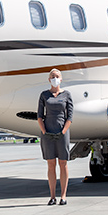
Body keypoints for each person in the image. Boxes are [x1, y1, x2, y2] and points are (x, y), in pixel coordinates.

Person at [37, 68, 74, 205]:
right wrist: (44, 131)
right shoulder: (44, 95)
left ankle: (63, 196)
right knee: (51, 164)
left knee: (63, 163)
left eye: (57, 76)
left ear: (61, 79)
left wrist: (63, 131)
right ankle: (52, 196)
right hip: (48, 134)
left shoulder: (66, 95)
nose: (55, 78)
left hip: (62, 133)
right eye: (52, 76)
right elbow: (39, 115)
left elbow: (70, 116)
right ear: (49, 79)